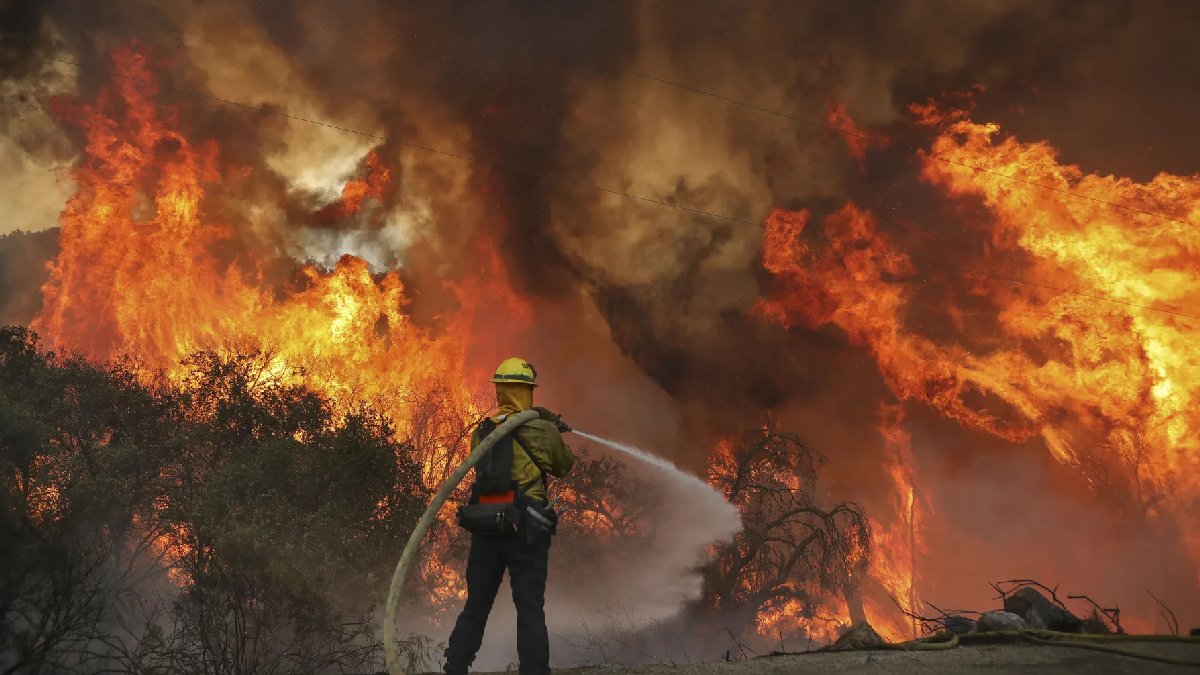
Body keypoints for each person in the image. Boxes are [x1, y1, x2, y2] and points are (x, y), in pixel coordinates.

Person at [443, 357, 575, 675]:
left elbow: (479, 468)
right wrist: (551, 429)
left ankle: (456, 667)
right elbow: (564, 466)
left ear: (500, 390)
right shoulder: (542, 431)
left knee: (476, 604)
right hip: (525, 528)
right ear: (528, 391)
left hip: (486, 525)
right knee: (529, 607)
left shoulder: (484, 432)